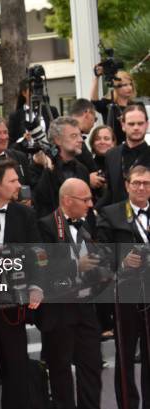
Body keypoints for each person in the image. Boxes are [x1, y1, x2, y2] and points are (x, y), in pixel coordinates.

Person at [37, 178, 103, 409]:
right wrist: (76, 266)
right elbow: (41, 270)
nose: (90, 204)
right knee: (60, 371)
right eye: (84, 199)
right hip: (58, 310)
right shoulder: (45, 226)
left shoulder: (86, 226)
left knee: (92, 367)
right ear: (67, 200)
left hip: (85, 307)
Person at [0, 158, 44, 409]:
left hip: (13, 302)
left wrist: (37, 285)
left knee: (16, 365)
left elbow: (38, 253)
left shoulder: (25, 214)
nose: (19, 185)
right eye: (13, 180)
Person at [96, 165, 150, 409]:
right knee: (125, 355)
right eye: (137, 182)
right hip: (125, 295)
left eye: (146, 183)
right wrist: (122, 260)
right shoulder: (111, 213)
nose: (141, 187)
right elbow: (102, 253)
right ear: (127, 185)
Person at [33, 116, 91, 217]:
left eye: (80, 135)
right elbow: (41, 200)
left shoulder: (82, 169)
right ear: (58, 140)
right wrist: (48, 168)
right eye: (74, 136)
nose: (81, 140)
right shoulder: (40, 165)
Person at [97, 104, 149, 209]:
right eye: (131, 124)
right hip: (117, 220)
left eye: (140, 123)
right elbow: (111, 192)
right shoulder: (111, 154)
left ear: (147, 124)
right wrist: (95, 210)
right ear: (123, 125)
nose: (136, 128)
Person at [7, 77, 59, 148]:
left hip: (50, 155)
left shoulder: (51, 111)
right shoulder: (15, 116)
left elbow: (60, 135)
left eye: (38, 90)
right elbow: (10, 144)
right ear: (24, 93)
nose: (36, 93)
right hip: (26, 156)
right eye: (32, 90)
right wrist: (23, 140)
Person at [91, 68, 137, 144]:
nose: (129, 88)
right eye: (125, 85)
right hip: (112, 148)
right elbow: (94, 101)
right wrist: (97, 77)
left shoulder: (134, 106)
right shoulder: (108, 104)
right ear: (115, 87)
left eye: (130, 84)